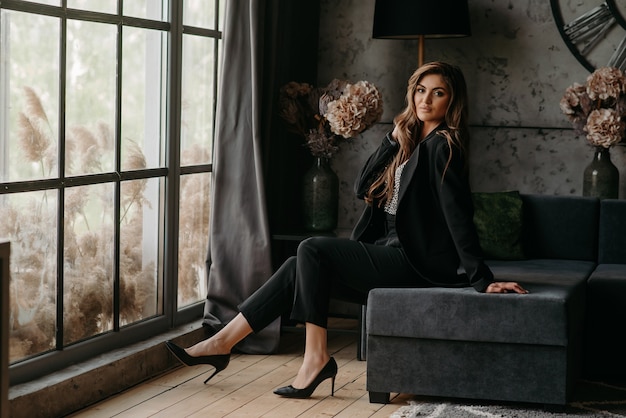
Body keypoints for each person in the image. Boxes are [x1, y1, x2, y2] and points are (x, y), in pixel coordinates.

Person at [165, 61, 528, 399]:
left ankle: (315, 358)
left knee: (312, 249)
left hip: (413, 262)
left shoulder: (443, 146)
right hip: (390, 251)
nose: (426, 99)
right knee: (297, 266)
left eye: (438, 92)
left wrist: (482, 277)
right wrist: (394, 136)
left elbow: (457, 215)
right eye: (420, 90)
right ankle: (223, 343)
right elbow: (362, 186)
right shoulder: (412, 142)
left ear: (452, 101)